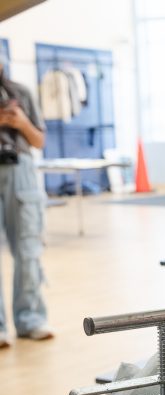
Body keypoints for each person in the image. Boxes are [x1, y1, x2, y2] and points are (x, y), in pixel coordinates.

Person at [0, 61, 52, 348]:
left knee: (28, 249)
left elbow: (39, 140)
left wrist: (20, 122)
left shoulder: (22, 92)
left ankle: (30, 319)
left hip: (20, 172)